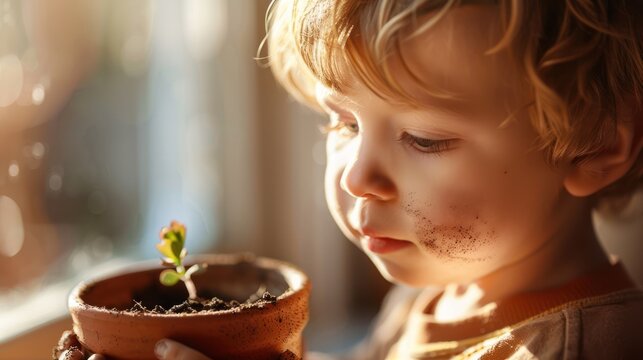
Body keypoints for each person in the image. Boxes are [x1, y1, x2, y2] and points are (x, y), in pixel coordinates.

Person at [57, 0, 643, 359]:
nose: (358, 176)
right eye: (341, 122)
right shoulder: (434, 294)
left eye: (424, 139)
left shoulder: (590, 347)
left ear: (593, 144)